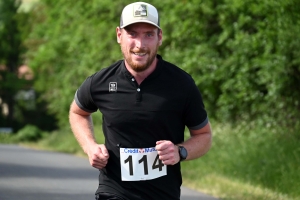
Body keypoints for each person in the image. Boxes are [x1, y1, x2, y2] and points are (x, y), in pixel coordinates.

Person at [69, 2, 212, 200]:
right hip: (113, 192)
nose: (140, 45)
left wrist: (181, 151)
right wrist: (90, 146)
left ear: (159, 37)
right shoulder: (101, 82)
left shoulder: (181, 84)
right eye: (133, 34)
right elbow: (78, 112)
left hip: (163, 194)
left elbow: (204, 136)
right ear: (119, 35)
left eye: (149, 34)